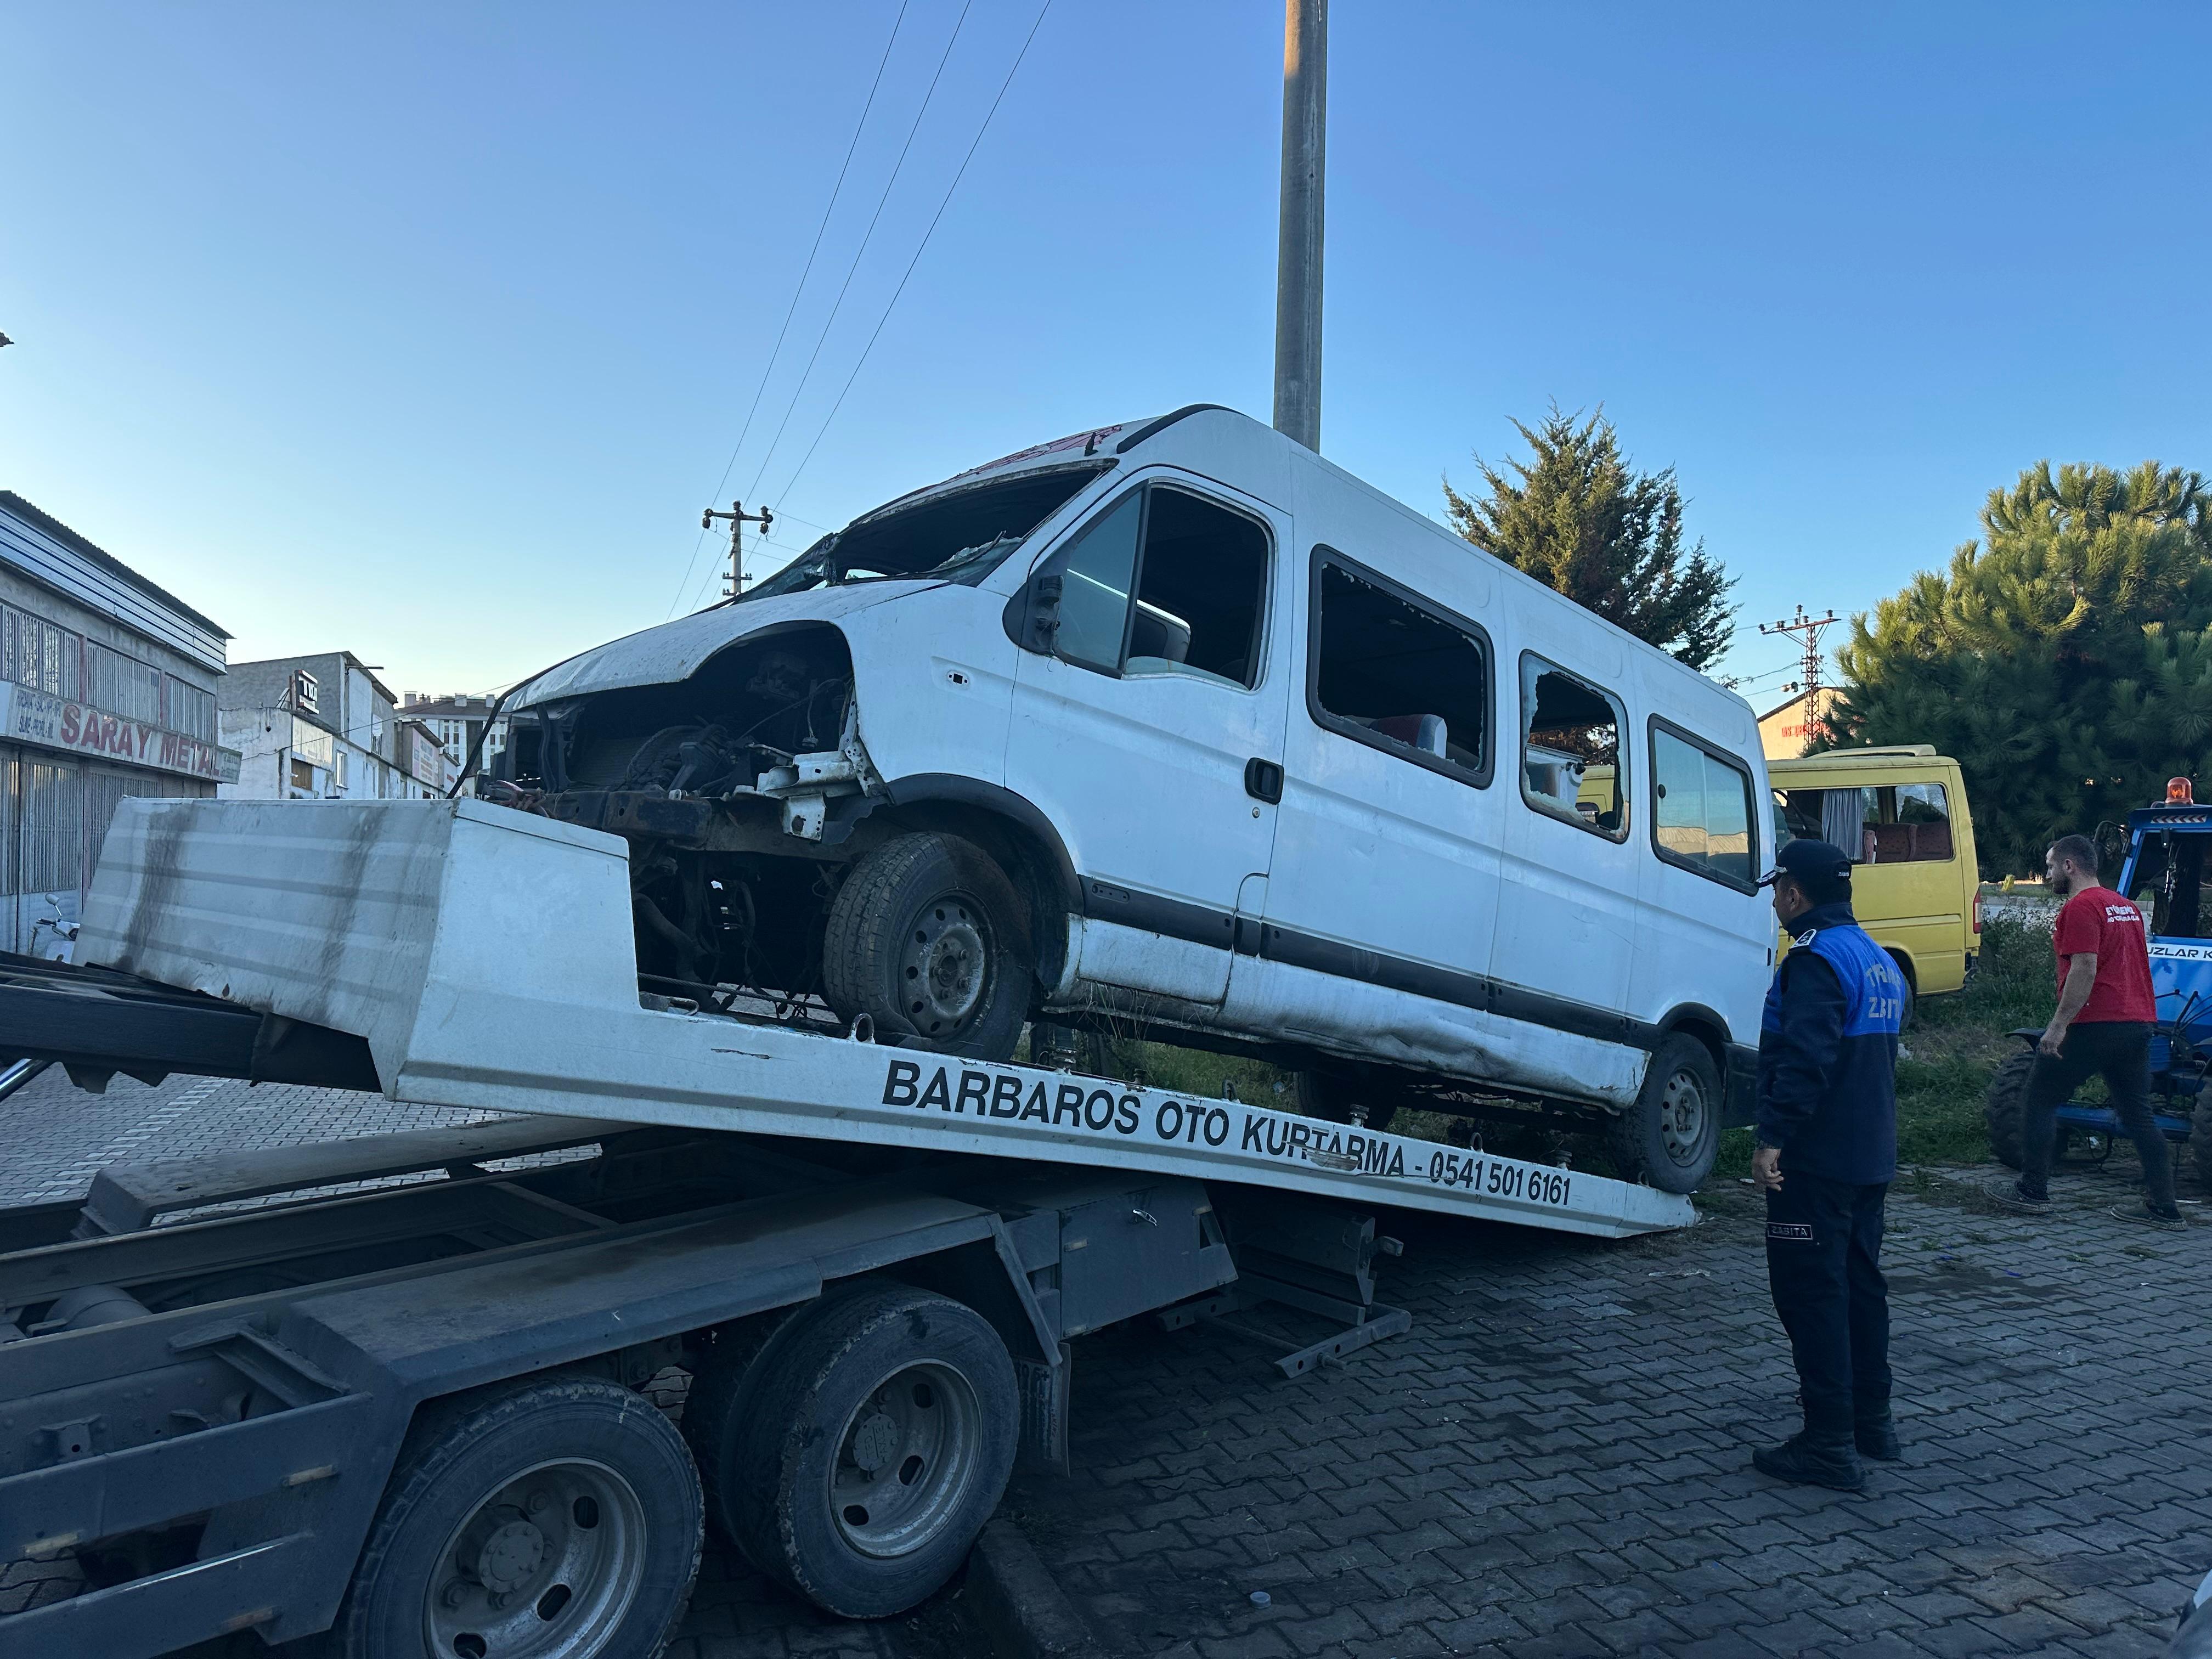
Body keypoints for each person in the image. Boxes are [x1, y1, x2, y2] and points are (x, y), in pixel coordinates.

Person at [1751, 838, 1907, 1492]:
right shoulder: (1877, 958)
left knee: (1812, 1295)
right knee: (1861, 1289)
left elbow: (1806, 1059)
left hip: (1817, 1161)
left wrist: (1773, 1138)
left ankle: (1828, 1445)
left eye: (1778, 891)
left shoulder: (1815, 960)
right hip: (1870, 1155)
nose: (1776, 902)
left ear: (1794, 893)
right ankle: (1873, 1423)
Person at [1990, 834, 2184, 1227]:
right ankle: (2164, 1207)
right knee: (2139, 1115)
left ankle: (2032, 1191)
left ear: (2069, 866)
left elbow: (2085, 968)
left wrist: (2058, 1026)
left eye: (2050, 866)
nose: (2047, 875)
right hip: (2138, 1024)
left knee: (2039, 1098)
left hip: (2096, 1023)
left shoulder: (2080, 907)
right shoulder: (2126, 907)